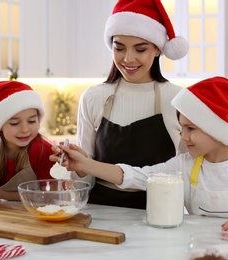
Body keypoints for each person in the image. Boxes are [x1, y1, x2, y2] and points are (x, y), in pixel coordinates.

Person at [52, 76, 228, 238]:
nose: (185, 136)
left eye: (192, 129)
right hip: (200, 249)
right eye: (182, 128)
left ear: (216, 128)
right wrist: (86, 164)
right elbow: (138, 176)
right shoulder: (183, 165)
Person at [74, 0, 189, 209]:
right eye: (119, 48)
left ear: (157, 50)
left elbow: (186, 171)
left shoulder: (178, 99)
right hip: (101, 214)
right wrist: (77, 167)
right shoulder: (93, 97)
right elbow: (83, 179)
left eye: (140, 49)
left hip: (161, 212)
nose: (128, 59)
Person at [0, 81, 55, 204]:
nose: (25, 129)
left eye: (31, 121)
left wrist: (4, 195)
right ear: (0, 126)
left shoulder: (43, 151)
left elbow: (49, 195)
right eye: (15, 123)